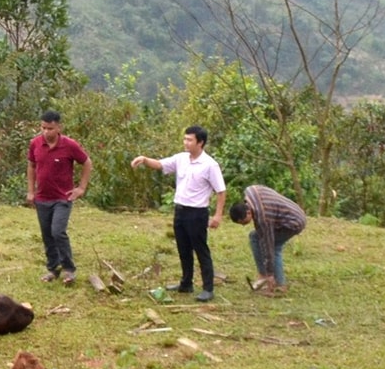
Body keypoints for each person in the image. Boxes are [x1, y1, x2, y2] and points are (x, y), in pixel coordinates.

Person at [131, 126, 226, 301]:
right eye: (185, 139)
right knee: (183, 248)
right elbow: (160, 164)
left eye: (190, 140)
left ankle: (208, 288)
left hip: (197, 213)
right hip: (180, 210)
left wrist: (218, 215)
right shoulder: (181, 158)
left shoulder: (210, 165)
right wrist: (144, 159)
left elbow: (221, 191)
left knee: (200, 249)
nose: (186, 143)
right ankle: (186, 283)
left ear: (201, 142)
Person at [25, 110, 92, 286]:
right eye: (43, 128)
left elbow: (86, 162)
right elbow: (31, 166)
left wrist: (81, 188)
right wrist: (31, 191)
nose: (46, 132)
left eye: (50, 128)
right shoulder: (35, 144)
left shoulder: (69, 145)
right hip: (42, 198)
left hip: (63, 198)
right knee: (47, 234)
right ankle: (53, 269)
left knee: (57, 231)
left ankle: (69, 269)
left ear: (58, 127)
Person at [229, 184, 306, 296]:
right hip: (291, 211)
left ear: (248, 212)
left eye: (244, 222)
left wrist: (270, 273)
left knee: (274, 247)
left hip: (294, 221)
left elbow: (268, 245)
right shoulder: (250, 191)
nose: (244, 225)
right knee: (254, 236)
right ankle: (263, 275)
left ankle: (279, 284)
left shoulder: (263, 219)